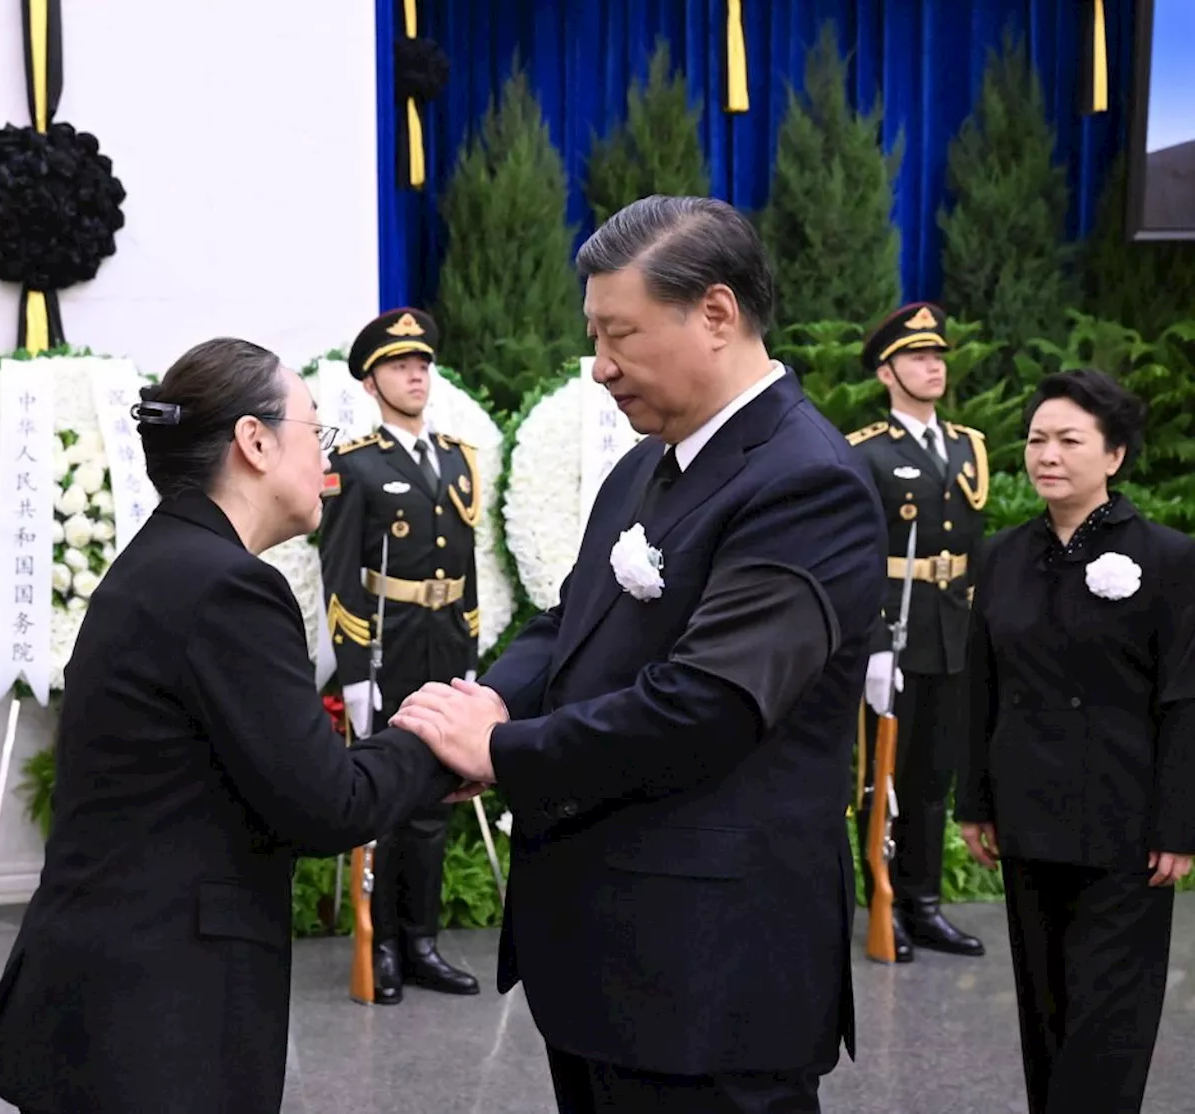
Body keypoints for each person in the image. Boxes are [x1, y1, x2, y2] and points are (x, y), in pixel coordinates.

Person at [391, 195, 888, 1114]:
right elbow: (567, 623)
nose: (600, 366)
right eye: (593, 335)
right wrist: (491, 705)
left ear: (716, 314)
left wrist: (501, 755)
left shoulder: (804, 481)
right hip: (608, 965)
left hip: (711, 981)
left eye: (620, 334)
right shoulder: (648, 462)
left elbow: (709, 704)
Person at [0, 338, 461, 1114]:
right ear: (255, 442)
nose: (326, 462)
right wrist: (439, 738)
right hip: (158, 1014)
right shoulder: (226, 586)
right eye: (313, 433)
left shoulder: (167, 559)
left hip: (115, 991)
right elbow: (328, 806)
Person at [956, 369, 1195, 1114]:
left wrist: (1179, 824)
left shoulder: (1167, 557)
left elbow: (1185, 697)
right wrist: (976, 802)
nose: (1047, 454)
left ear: (1114, 456)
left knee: (1108, 1023)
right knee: (1047, 1011)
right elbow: (980, 684)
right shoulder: (1000, 556)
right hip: (1030, 815)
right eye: (1036, 439)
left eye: (1069, 440)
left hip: (1124, 824)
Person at [318, 307, 481, 1004]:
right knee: (386, 798)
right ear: (370, 380)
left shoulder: (455, 455)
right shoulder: (354, 466)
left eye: (422, 364)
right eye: (398, 366)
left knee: (436, 797)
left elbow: (466, 560)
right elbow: (339, 571)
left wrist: (470, 650)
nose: (415, 374)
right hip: (386, 643)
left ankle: (421, 942)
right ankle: (379, 942)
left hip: (443, 638)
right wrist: (353, 672)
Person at [846, 302, 987, 962]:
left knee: (933, 777)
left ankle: (925, 902)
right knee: (885, 775)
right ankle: (885, 900)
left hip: (951, 630)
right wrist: (872, 644)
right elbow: (856, 557)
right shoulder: (867, 453)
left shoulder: (967, 447)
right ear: (886, 372)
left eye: (938, 356)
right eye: (917, 357)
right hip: (894, 634)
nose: (934, 366)